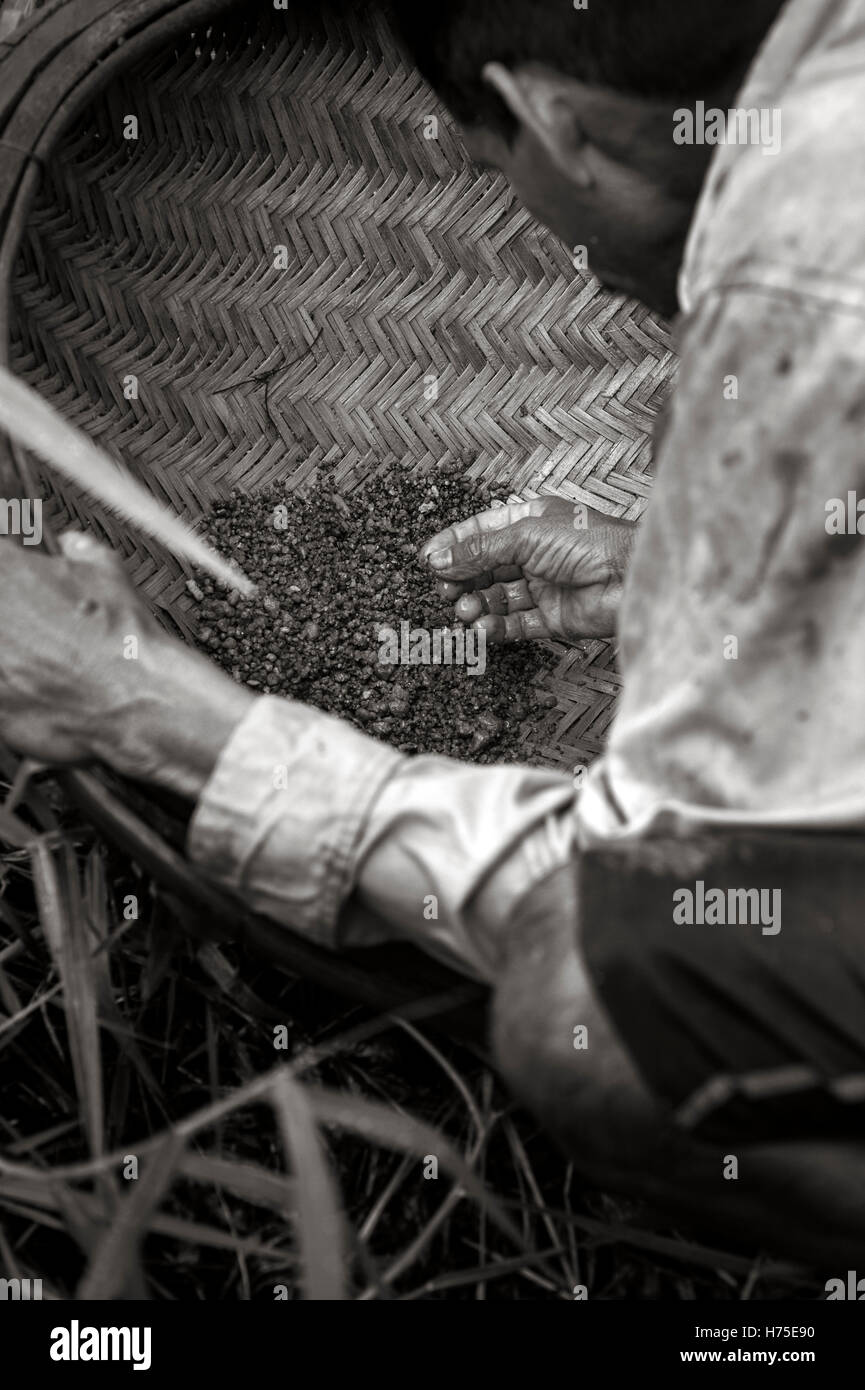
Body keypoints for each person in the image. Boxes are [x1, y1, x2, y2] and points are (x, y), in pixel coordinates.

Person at [2, 0, 865, 1265]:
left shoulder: (788, 291)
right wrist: (675, 592)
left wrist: (165, 714)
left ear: (547, 118)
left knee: (603, 1000)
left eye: (488, 164)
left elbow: (653, 893)